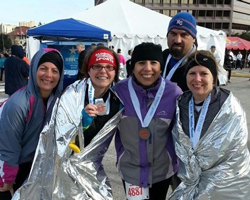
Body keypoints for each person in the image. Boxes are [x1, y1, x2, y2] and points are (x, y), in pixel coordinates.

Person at [12, 46, 123, 200]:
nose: (103, 71)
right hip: (63, 169)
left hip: (92, 170)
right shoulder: (72, 94)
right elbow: (59, 141)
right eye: (97, 66)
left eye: (109, 67)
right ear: (88, 70)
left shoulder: (118, 102)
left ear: (115, 71)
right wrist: (82, 125)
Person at [169, 50, 250, 200]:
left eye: (204, 73)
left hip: (223, 186)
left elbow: (236, 150)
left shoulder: (229, 107)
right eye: (192, 73)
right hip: (187, 182)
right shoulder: (181, 104)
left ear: (213, 78)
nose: (197, 79)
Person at [112, 43, 182, 200]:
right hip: (131, 171)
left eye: (153, 63)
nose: (148, 68)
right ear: (133, 65)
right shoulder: (119, 92)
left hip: (162, 171)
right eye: (141, 63)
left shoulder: (173, 92)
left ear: (161, 66)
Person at [0, 48, 64, 200]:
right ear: (34, 69)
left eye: (55, 71)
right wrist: (7, 180)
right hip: (12, 166)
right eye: (43, 69)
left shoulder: (58, 102)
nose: (48, 75)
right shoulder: (19, 103)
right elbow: (8, 147)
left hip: (36, 166)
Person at [162, 12, 197, 91]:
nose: (177, 40)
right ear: (167, 35)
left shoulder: (201, 64)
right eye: (173, 34)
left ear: (194, 38)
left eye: (184, 35)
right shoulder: (160, 58)